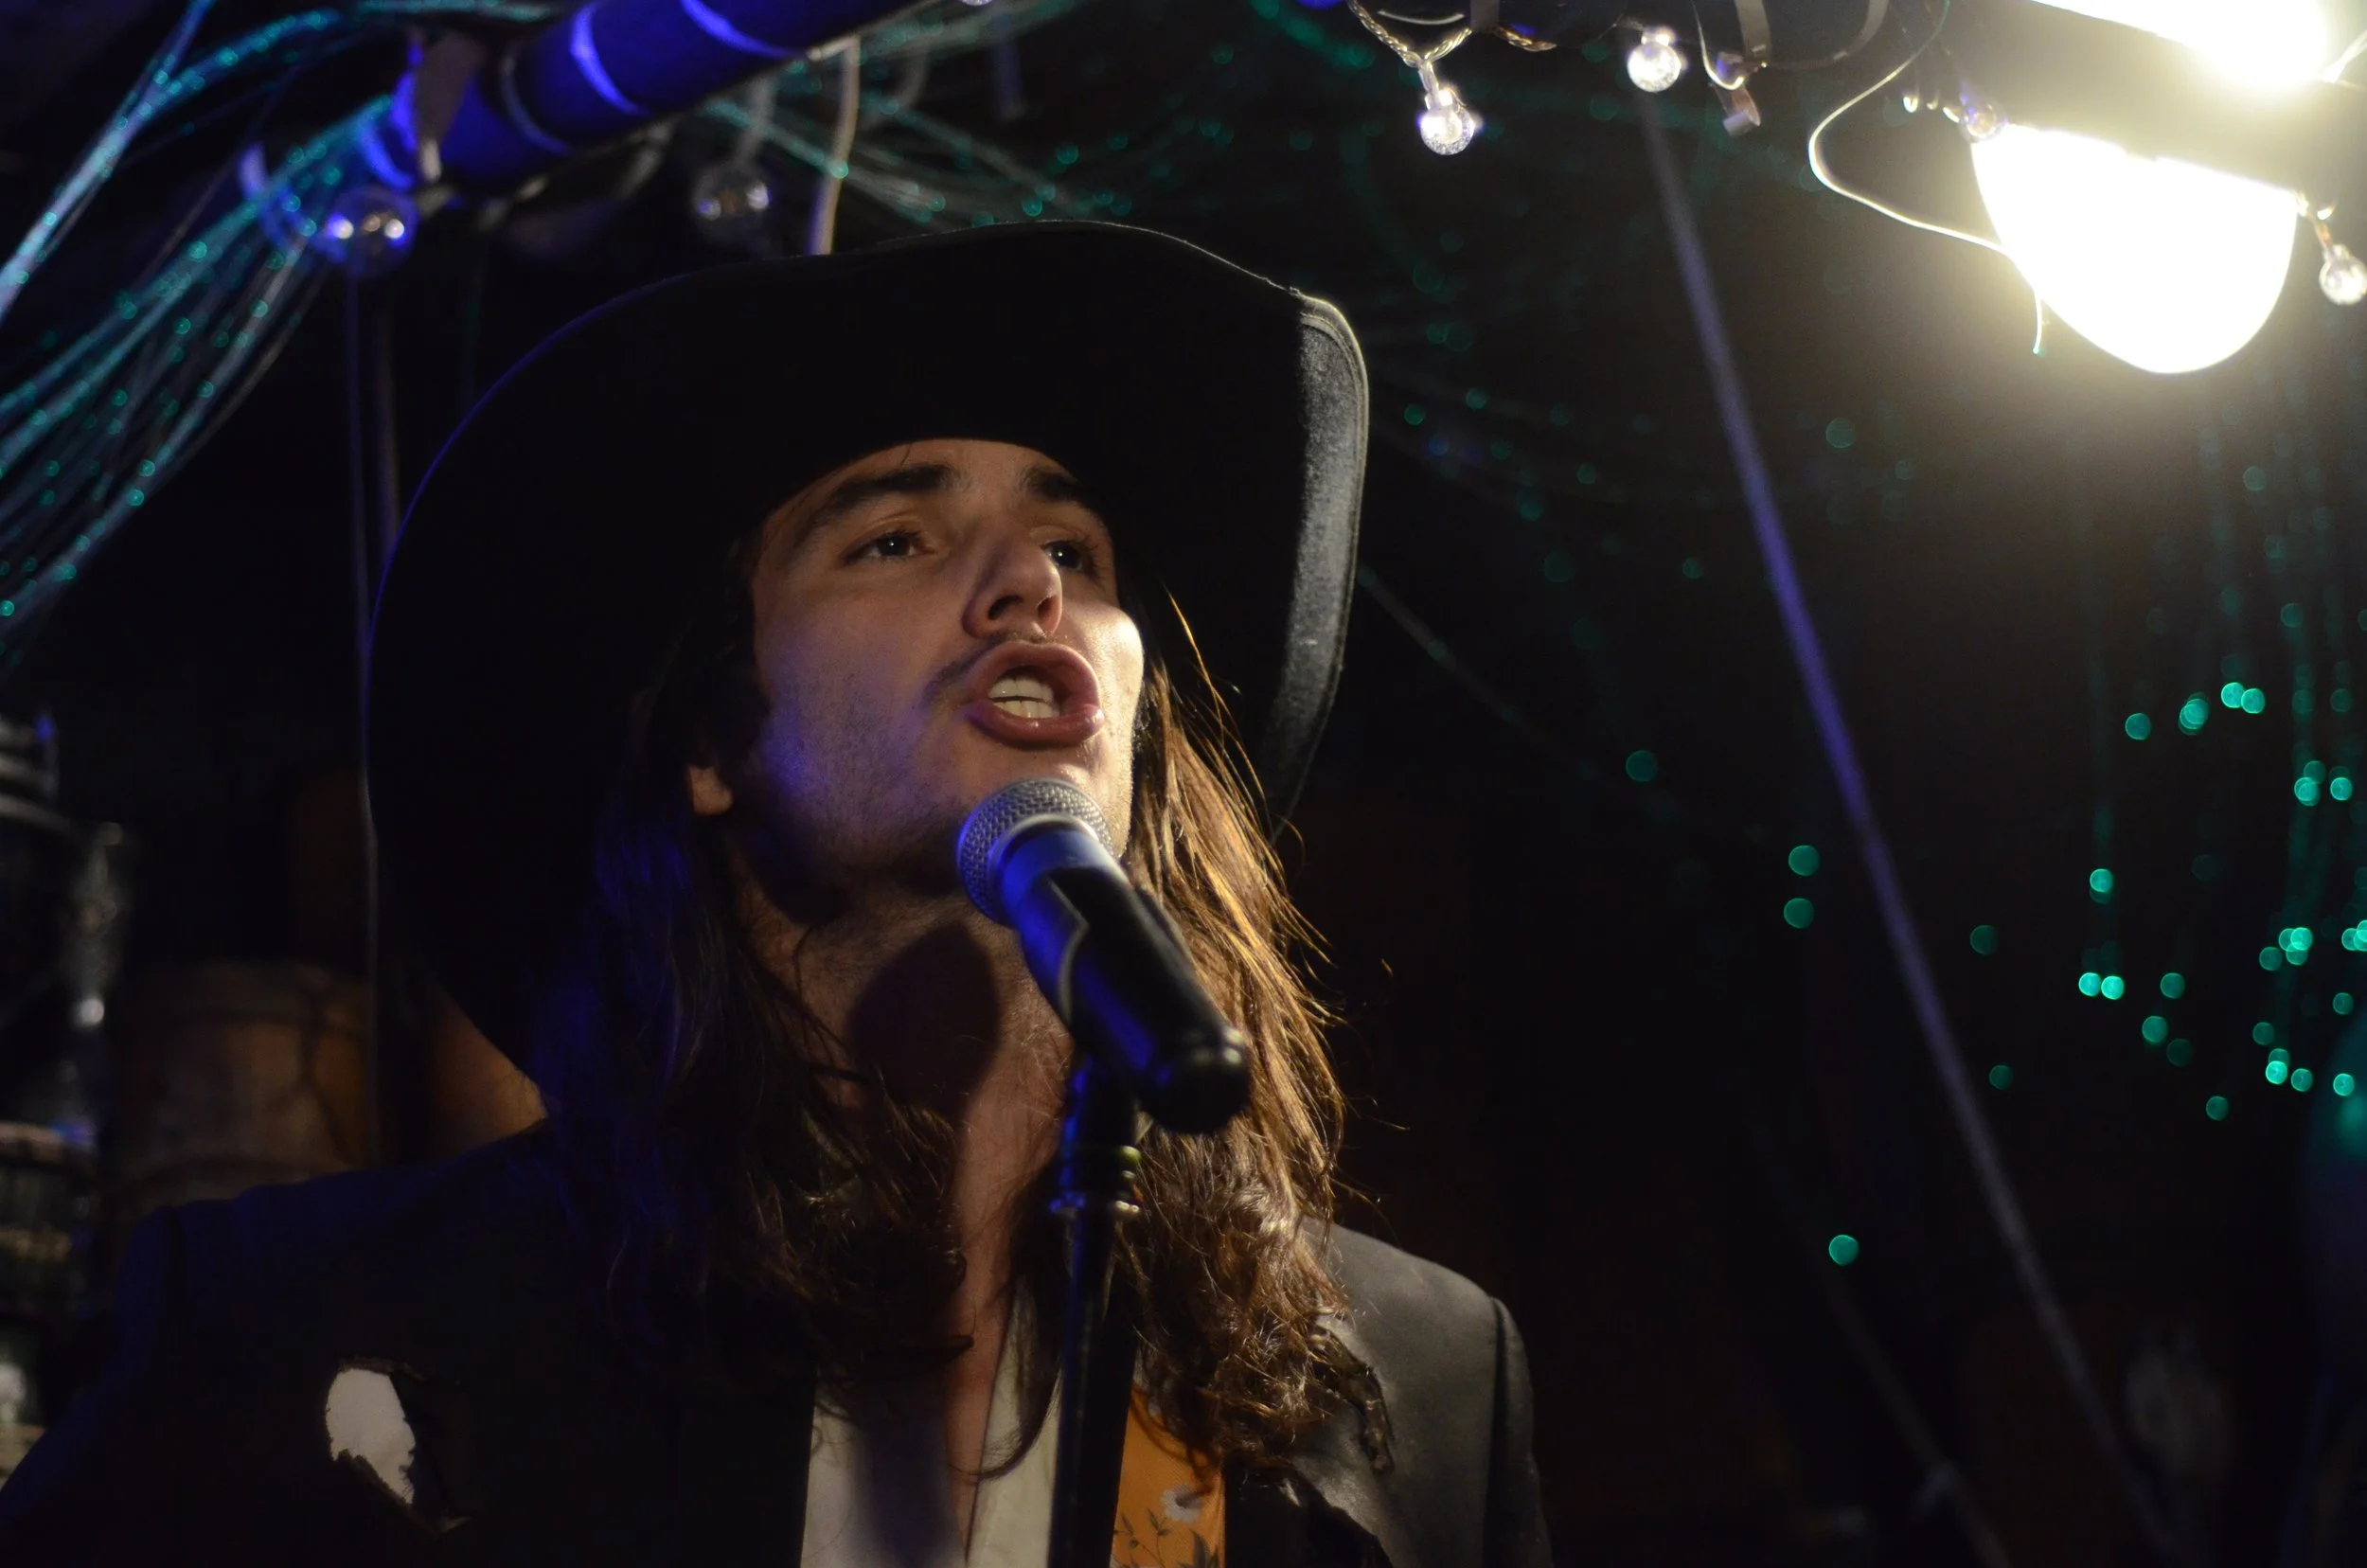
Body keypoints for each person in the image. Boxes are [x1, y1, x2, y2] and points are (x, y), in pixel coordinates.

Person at [0, 223, 1548, 1566]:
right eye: (896, 537)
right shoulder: (306, 1324)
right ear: (706, 743)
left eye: (1075, 548)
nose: (1032, 587)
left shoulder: (1420, 1385)